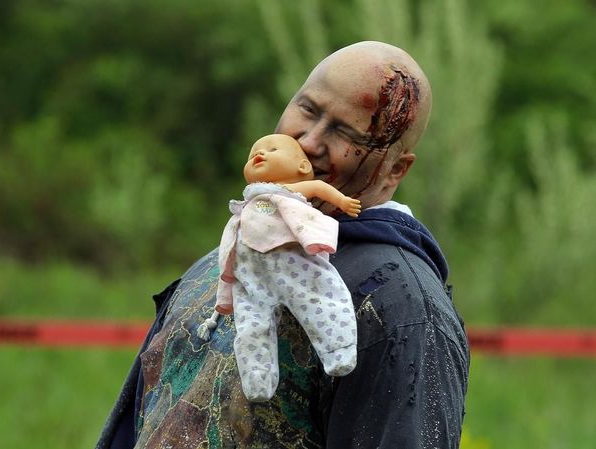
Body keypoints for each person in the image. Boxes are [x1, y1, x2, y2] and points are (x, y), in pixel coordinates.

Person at [96, 41, 470, 449]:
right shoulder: (237, 251)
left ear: (395, 169)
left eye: (346, 132)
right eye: (307, 110)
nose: (308, 141)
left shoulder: (401, 308)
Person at [208, 134, 361, 402]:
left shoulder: (289, 193)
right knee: (251, 325)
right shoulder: (246, 205)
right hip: (251, 277)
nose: (260, 154)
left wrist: (342, 202)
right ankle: (257, 378)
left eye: (272, 149)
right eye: (253, 153)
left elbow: (319, 188)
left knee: (318, 297)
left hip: (291, 263)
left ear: (302, 166)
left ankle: (339, 350)